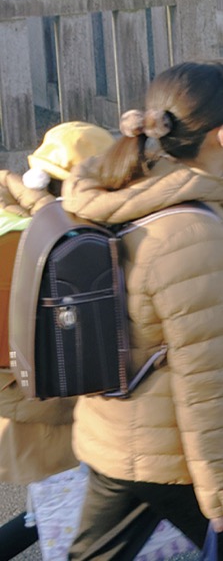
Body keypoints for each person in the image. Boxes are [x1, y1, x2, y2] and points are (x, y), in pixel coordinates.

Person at [64, 62, 223, 560]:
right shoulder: (193, 233)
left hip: (110, 429)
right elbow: (204, 377)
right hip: (166, 450)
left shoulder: (127, 184)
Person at [0, 123, 121, 558]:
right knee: (74, 534)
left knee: (55, 522)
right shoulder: (21, 245)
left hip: (44, 429)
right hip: (49, 430)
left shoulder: (22, 226)